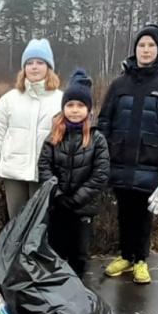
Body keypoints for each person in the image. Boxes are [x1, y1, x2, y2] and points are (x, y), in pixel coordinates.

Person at [98, 24, 158, 285]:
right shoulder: (119, 84)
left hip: (151, 163)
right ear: (134, 49)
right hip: (120, 161)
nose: (145, 50)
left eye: (151, 46)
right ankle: (125, 256)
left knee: (143, 215)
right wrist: (101, 157)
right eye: (141, 45)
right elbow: (104, 122)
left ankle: (141, 261)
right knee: (124, 212)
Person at [38, 69, 110, 278]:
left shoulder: (97, 139)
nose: (75, 110)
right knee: (56, 252)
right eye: (70, 105)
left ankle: (78, 290)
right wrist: (58, 196)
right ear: (63, 108)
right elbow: (44, 167)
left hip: (82, 210)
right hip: (57, 207)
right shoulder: (54, 137)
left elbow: (101, 174)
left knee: (79, 254)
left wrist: (77, 199)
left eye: (80, 105)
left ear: (88, 109)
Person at [0, 38, 63, 218]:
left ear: (49, 67)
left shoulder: (60, 100)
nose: (34, 67)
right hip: (14, 173)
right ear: (23, 68)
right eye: (29, 63)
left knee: (39, 226)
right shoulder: (9, 99)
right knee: (15, 225)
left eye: (40, 62)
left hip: (44, 174)